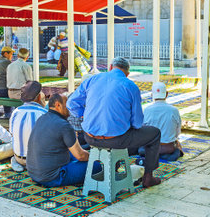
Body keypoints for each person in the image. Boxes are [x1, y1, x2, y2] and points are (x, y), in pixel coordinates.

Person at [67, 57, 162, 188]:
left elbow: (71, 103)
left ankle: (113, 168)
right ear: (127, 73)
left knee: (122, 132)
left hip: (89, 137)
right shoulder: (130, 86)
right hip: (116, 140)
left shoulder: (92, 79)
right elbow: (137, 123)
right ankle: (148, 177)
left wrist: (83, 115)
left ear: (110, 67)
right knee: (155, 133)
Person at [26, 94, 101, 187]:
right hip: (53, 177)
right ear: (58, 105)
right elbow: (80, 156)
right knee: (98, 166)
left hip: (34, 174)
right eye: (67, 104)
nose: (70, 107)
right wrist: (97, 158)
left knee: (75, 155)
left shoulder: (42, 118)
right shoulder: (64, 125)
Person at [9, 81, 47, 172]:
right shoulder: (43, 113)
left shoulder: (16, 112)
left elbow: (11, 134)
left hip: (19, 158)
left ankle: (17, 161)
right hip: (37, 161)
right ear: (39, 97)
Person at [143, 82, 183, 161]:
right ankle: (170, 155)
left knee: (141, 149)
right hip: (168, 148)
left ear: (152, 95)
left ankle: (153, 155)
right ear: (166, 94)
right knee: (176, 148)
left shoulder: (147, 110)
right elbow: (177, 132)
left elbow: (143, 130)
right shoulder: (174, 110)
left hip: (151, 148)